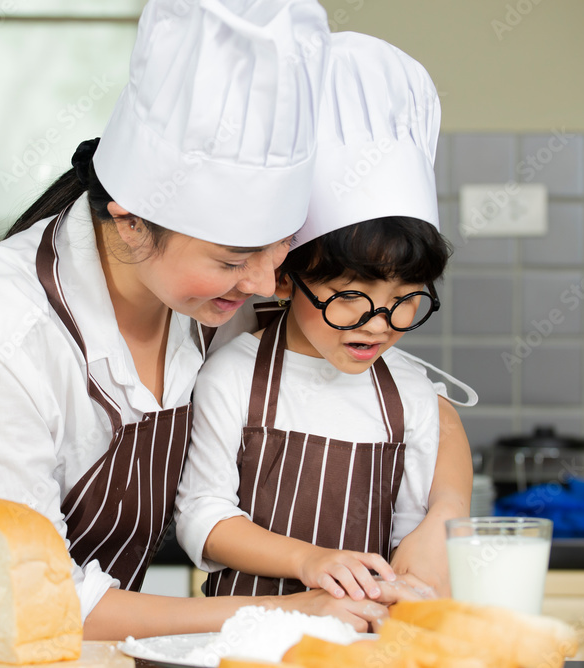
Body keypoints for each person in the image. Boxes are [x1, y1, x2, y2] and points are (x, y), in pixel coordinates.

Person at [0, 0, 419, 639]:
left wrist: (442, 509)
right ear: (130, 221)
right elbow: (24, 602)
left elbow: (377, 373)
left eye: (282, 248)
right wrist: (286, 610)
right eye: (231, 259)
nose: (264, 283)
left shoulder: (211, 305)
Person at [174, 31, 477, 603]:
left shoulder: (409, 394)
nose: (379, 323)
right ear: (286, 277)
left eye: (407, 297)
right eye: (350, 295)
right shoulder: (232, 377)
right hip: (244, 635)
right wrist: (310, 562)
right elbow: (203, 518)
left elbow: (416, 538)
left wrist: (416, 580)